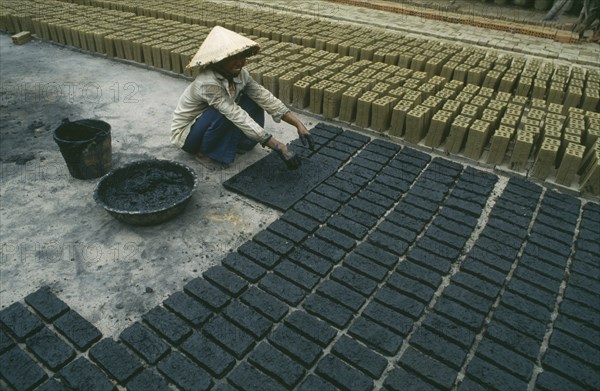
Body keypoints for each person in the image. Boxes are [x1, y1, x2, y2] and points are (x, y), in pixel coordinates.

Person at [171, 26, 314, 170]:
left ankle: (240, 142)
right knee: (224, 113)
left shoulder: (240, 74)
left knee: (252, 99)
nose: (239, 62)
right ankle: (206, 153)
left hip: (209, 122)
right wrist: (277, 146)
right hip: (188, 135)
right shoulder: (207, 83)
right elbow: (235, 114)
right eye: (233, 57)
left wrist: (297, 124)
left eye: (242, 56)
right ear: (218, 60)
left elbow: (264, 97)